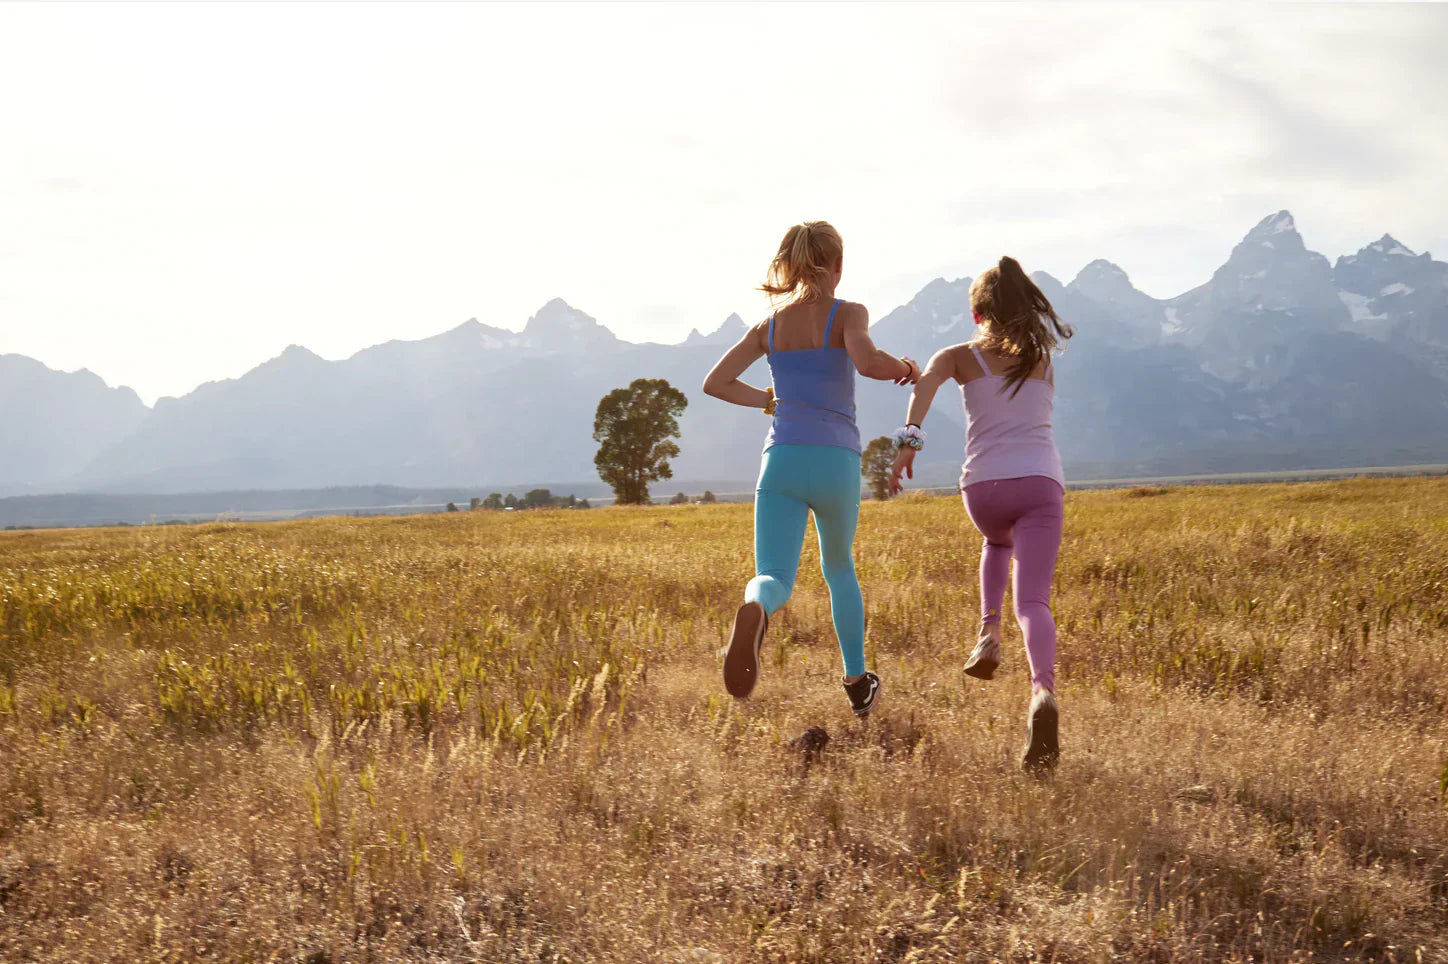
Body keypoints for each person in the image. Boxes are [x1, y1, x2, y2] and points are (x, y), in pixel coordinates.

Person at [703, 221, 919, 716]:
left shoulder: (769, 327)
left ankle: (756, 607)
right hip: (835, 460)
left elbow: (715, 382)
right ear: (838, 266)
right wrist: (906, 369)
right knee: (838, 567)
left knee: (773, 575)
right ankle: (856, 681)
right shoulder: (848, 313)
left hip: (781, 459)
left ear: (790, 265)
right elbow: (868, 362)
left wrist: (766, 400)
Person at [889, 256, 1073, 770]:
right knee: (1032, 602)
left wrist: (908, 443)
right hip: (1041, 484)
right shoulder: (1043, 361)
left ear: (976, 314)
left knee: (996, 542)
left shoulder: (957, 356)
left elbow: (925, 385)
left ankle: (988, 634)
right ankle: (1042, 693)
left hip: (984, 489)